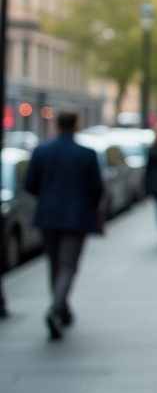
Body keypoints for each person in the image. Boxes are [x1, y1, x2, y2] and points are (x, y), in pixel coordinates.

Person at [23, 111, 104, 340]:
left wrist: (47, 197)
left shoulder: (41, 150)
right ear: (77, 126)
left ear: (57, 126)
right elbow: (97, 188)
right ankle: (57, 309)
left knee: (55, 263)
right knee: (68, 265)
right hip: (77, 217)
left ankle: (60, 308)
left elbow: (30, 184)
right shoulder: (87, 154)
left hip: (48, 215)